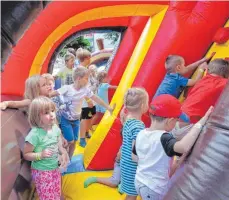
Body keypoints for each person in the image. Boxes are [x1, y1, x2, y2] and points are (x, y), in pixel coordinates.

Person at [133, 94, 213, 200]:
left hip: (139, 181)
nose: (176, 123)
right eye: (176, 120)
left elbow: (134, 157)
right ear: (170, 121)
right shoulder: (164, 137)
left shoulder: (141, 133)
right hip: (153, 188)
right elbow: (183, 147)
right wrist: (200, 123)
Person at [49, 66, 115, 158]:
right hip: (66, 119)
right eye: (86, 78)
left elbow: (96, 98)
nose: (87, 81)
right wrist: (42, 94)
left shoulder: (85, 90)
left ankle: (68, 160)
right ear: (79, 78)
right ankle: (62, 156)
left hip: (76, 120)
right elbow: (53, 93)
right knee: (70, 141)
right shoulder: (67, 88)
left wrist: (108, 107)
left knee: (74, 142)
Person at [23, 96, 69, 200]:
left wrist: (63, 152)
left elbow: (59, 144)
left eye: (52, 110)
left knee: (56, 193)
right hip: (42, 172)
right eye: (46, 112)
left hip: (54, 169)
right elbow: (26, 154)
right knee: (47, 197)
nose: (52, 114)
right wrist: (40, 155)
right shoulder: (34, 135)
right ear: (37, 116)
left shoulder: (55, 128)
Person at [120, 88, 149, 200]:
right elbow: (134, 155)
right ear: (142, 106)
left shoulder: (128, 119)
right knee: (132, 195)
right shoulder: (138, 126)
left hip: (125, 162)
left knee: (130, 193)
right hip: (132, 166)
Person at [182, 58, 229, 123]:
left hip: (181, 112)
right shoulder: (222, 82)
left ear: (207, 70)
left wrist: (201, 69)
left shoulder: (203, 80)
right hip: (193, 118)